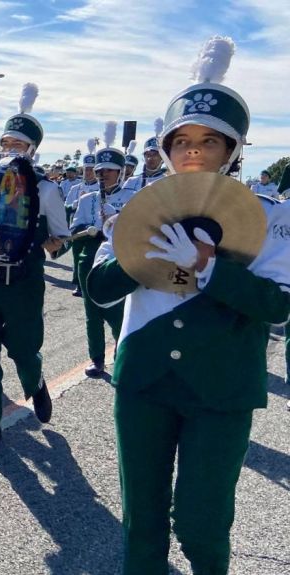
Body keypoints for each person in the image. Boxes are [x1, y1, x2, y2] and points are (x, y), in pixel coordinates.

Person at [87, 36, 290, 575]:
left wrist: (210, 268)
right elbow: (100, 289)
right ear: (167, 148)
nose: (193, 150)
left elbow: (278, 307)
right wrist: (139, 248)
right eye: (181, 141)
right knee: (142, 524)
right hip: (144, 383)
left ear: (233, 151)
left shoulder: (270, 218)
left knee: (202, 526)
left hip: (222, 388)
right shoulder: (138, 208)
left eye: (210, 141)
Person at [0, 83, 68, 447]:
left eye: (17, 145)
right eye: (5, 143)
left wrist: (41, 245)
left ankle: (35, 381)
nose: (9, 150)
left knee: (23, 348)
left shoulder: (47, 189)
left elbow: (61, 237)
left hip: (24, 280)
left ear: (32, 151)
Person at [69, 122, 130, 378]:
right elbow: (73, 232)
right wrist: (89, 230)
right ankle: (97, 359)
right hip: (88, 256)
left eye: (109, 170)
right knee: (91, 313)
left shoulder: (132, 198)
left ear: (120, 173)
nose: (104, 174)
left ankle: (122, 352)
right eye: (100, 169)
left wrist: (117, 219)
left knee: (117, 312)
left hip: (118, 258)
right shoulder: (86, 199)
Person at [65, 144, 100, 296]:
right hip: (78, 227)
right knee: (77, 256)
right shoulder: (75, 188)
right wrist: (76, 203)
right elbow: (66, 206)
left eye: (92, 169)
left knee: (93, 257)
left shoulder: (101, 187)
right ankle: (78, 284)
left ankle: (91, 284)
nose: (88, 172)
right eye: (86, 169)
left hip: (95, 229)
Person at [120, 118, 169, 195]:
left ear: (162, 158)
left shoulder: (168, 181)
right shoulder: (132, 182)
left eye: (155, 155)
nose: (150, 158)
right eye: (148, 155)